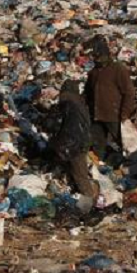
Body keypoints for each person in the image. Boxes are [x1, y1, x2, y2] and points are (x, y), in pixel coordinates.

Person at [82, 35, 137, 167]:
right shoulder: (94, 72)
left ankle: (133, 165)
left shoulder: (118, 69)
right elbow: (88, 92)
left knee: (123, 141)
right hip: (96, 114)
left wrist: (124, 113)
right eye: (95, 57)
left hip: (114, 114)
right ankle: (99, 164)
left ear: (107, 55)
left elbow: (129, 92)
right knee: (97, 142)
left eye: (99, 56)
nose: (97, 60)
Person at [49, 80, 98, 211]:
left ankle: (87, 206)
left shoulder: (65, 102)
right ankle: (84, 198)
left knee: (79, 173)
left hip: (73, 143)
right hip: (82, 141)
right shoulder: (79, 102)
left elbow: (56, 123)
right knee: (78, 170)